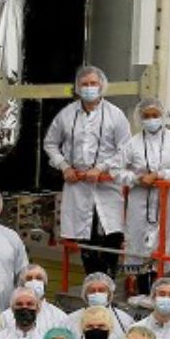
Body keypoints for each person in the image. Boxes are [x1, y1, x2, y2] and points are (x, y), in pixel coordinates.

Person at [46, 65, 131, 278]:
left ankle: (109, 282)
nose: (89, 87)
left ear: (102, 85)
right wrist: (64, 166)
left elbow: (125, 149)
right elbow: (50, 143)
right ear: (77, 87)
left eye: (93, 83)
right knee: (85, 238)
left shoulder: (115, 115)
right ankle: (92, 282)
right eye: (84, 84)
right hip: (77, 185)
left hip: (106, 184)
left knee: (112, 234)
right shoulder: (66, 115)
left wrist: (101, 168)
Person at [119, 97, 170, 294]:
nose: (151, 119)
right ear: (140, 118)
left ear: (162, 115)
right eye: (146, 116)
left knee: (163, 243)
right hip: (139, 199)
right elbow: (118, 171)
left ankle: (162, 291)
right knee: (137, 243)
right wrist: (136, 178)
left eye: (155, 115)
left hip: (166, 200)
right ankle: (141, 290)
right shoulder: (132, 143)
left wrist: (159, 175)